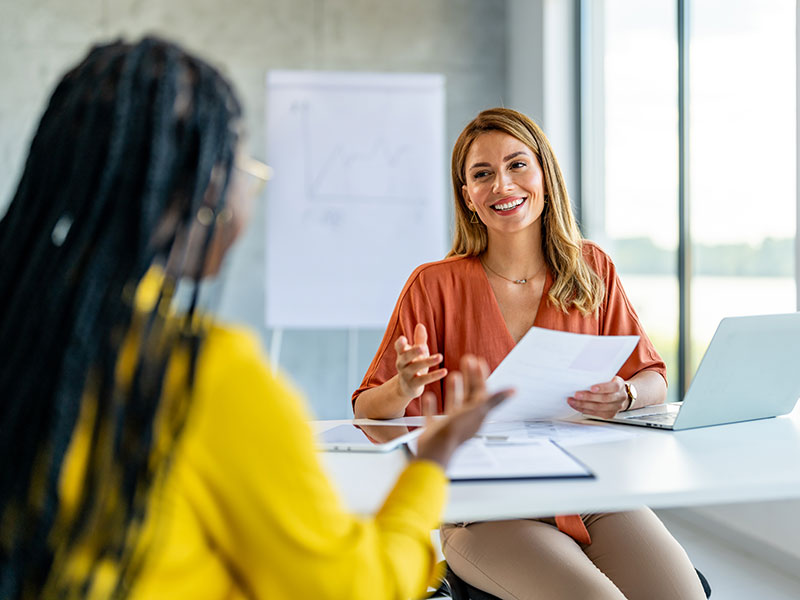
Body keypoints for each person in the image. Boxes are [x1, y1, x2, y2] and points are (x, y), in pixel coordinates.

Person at [0, 37, 513, 600]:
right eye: (243, 169)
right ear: (206, 194)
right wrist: (432, 464)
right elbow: (351, 589)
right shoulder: (205, 374)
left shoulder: (23, 331)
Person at [353, 107, 707, 599]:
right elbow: (367, 410)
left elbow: (653, 379)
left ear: (544, 174)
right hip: (485, 511)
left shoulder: (591, 268)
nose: (502, 184)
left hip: (591, 494)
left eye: (517, 164)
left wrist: (625, 395)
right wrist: (403, 386)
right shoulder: (433, 285)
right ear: (468, 196)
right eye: (482, 174)